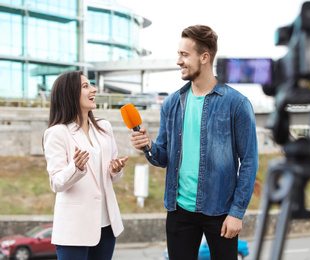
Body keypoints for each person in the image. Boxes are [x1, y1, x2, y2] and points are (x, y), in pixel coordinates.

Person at [130, 25, 259, 260]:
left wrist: (237, 213)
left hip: (221, 211)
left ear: (204, 57)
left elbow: (249, 161)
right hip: (179, 211)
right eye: (178, 54)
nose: (178, 61)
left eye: (184, 54)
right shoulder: (171, 104)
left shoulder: (237, 104)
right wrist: (148, 145)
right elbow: (164, 157)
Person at [43, 71, 128, 260]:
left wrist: (115, 170)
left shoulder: (104, 127)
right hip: (74, 229)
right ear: (69, 93)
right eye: (85, 86)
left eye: (91, 85)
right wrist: (76, 169)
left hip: (106, 225)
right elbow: (56, 182)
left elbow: (113, 176)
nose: (94, 89)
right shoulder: (56, 133)